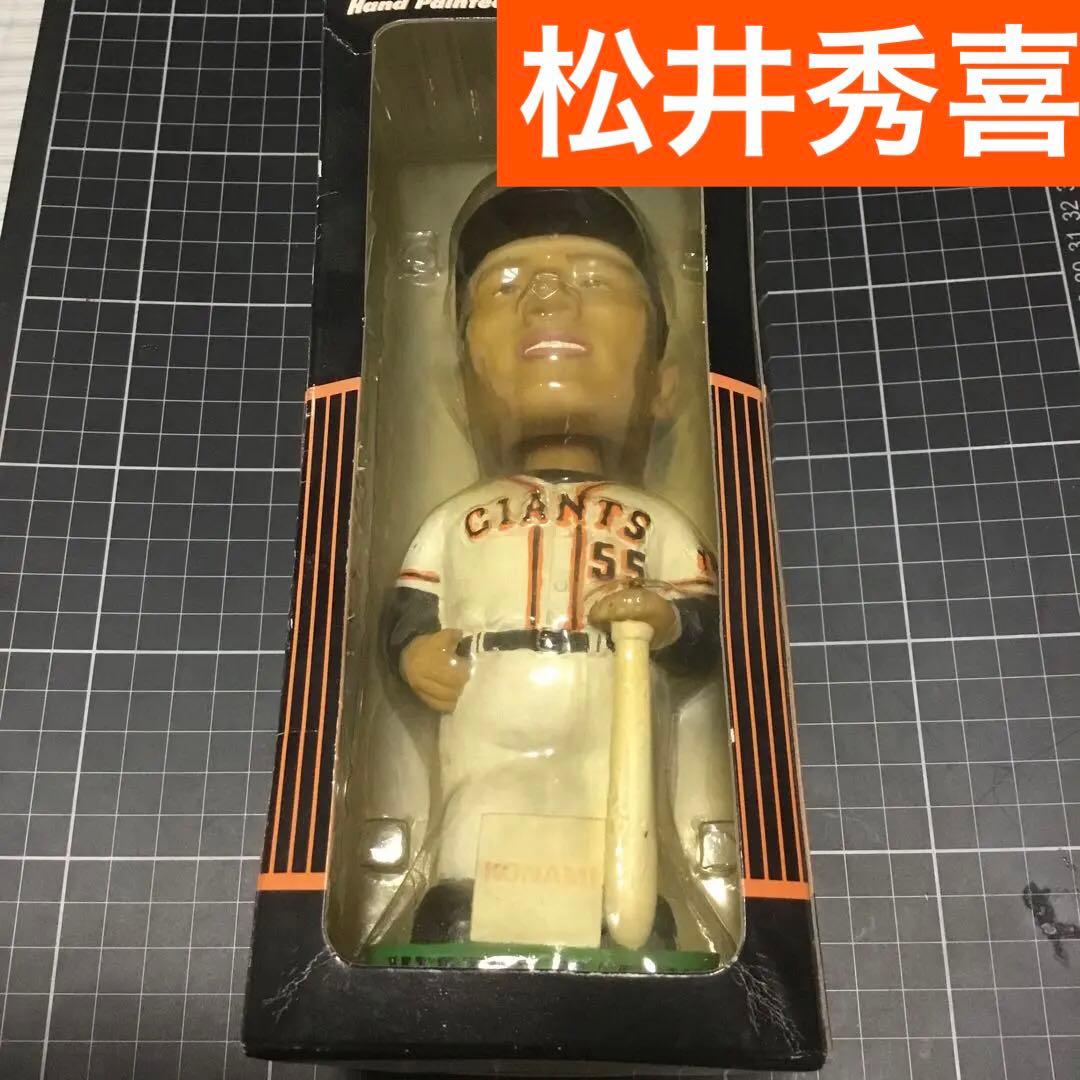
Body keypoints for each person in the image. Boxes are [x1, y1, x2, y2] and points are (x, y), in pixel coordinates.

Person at [383, 181, 720, 947]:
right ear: (462, 395)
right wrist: (411, 652)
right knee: (478, 815)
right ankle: (462, 916)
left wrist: (666, 621)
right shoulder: (459, 517)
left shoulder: (657, 521)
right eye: (504, 285)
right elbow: (411, 605)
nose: (548, 297)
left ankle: (626, 928)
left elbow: (703, 623)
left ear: (664, 385)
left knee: (613, 814)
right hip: (489, 696)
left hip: (612, 694)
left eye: (595, 281)